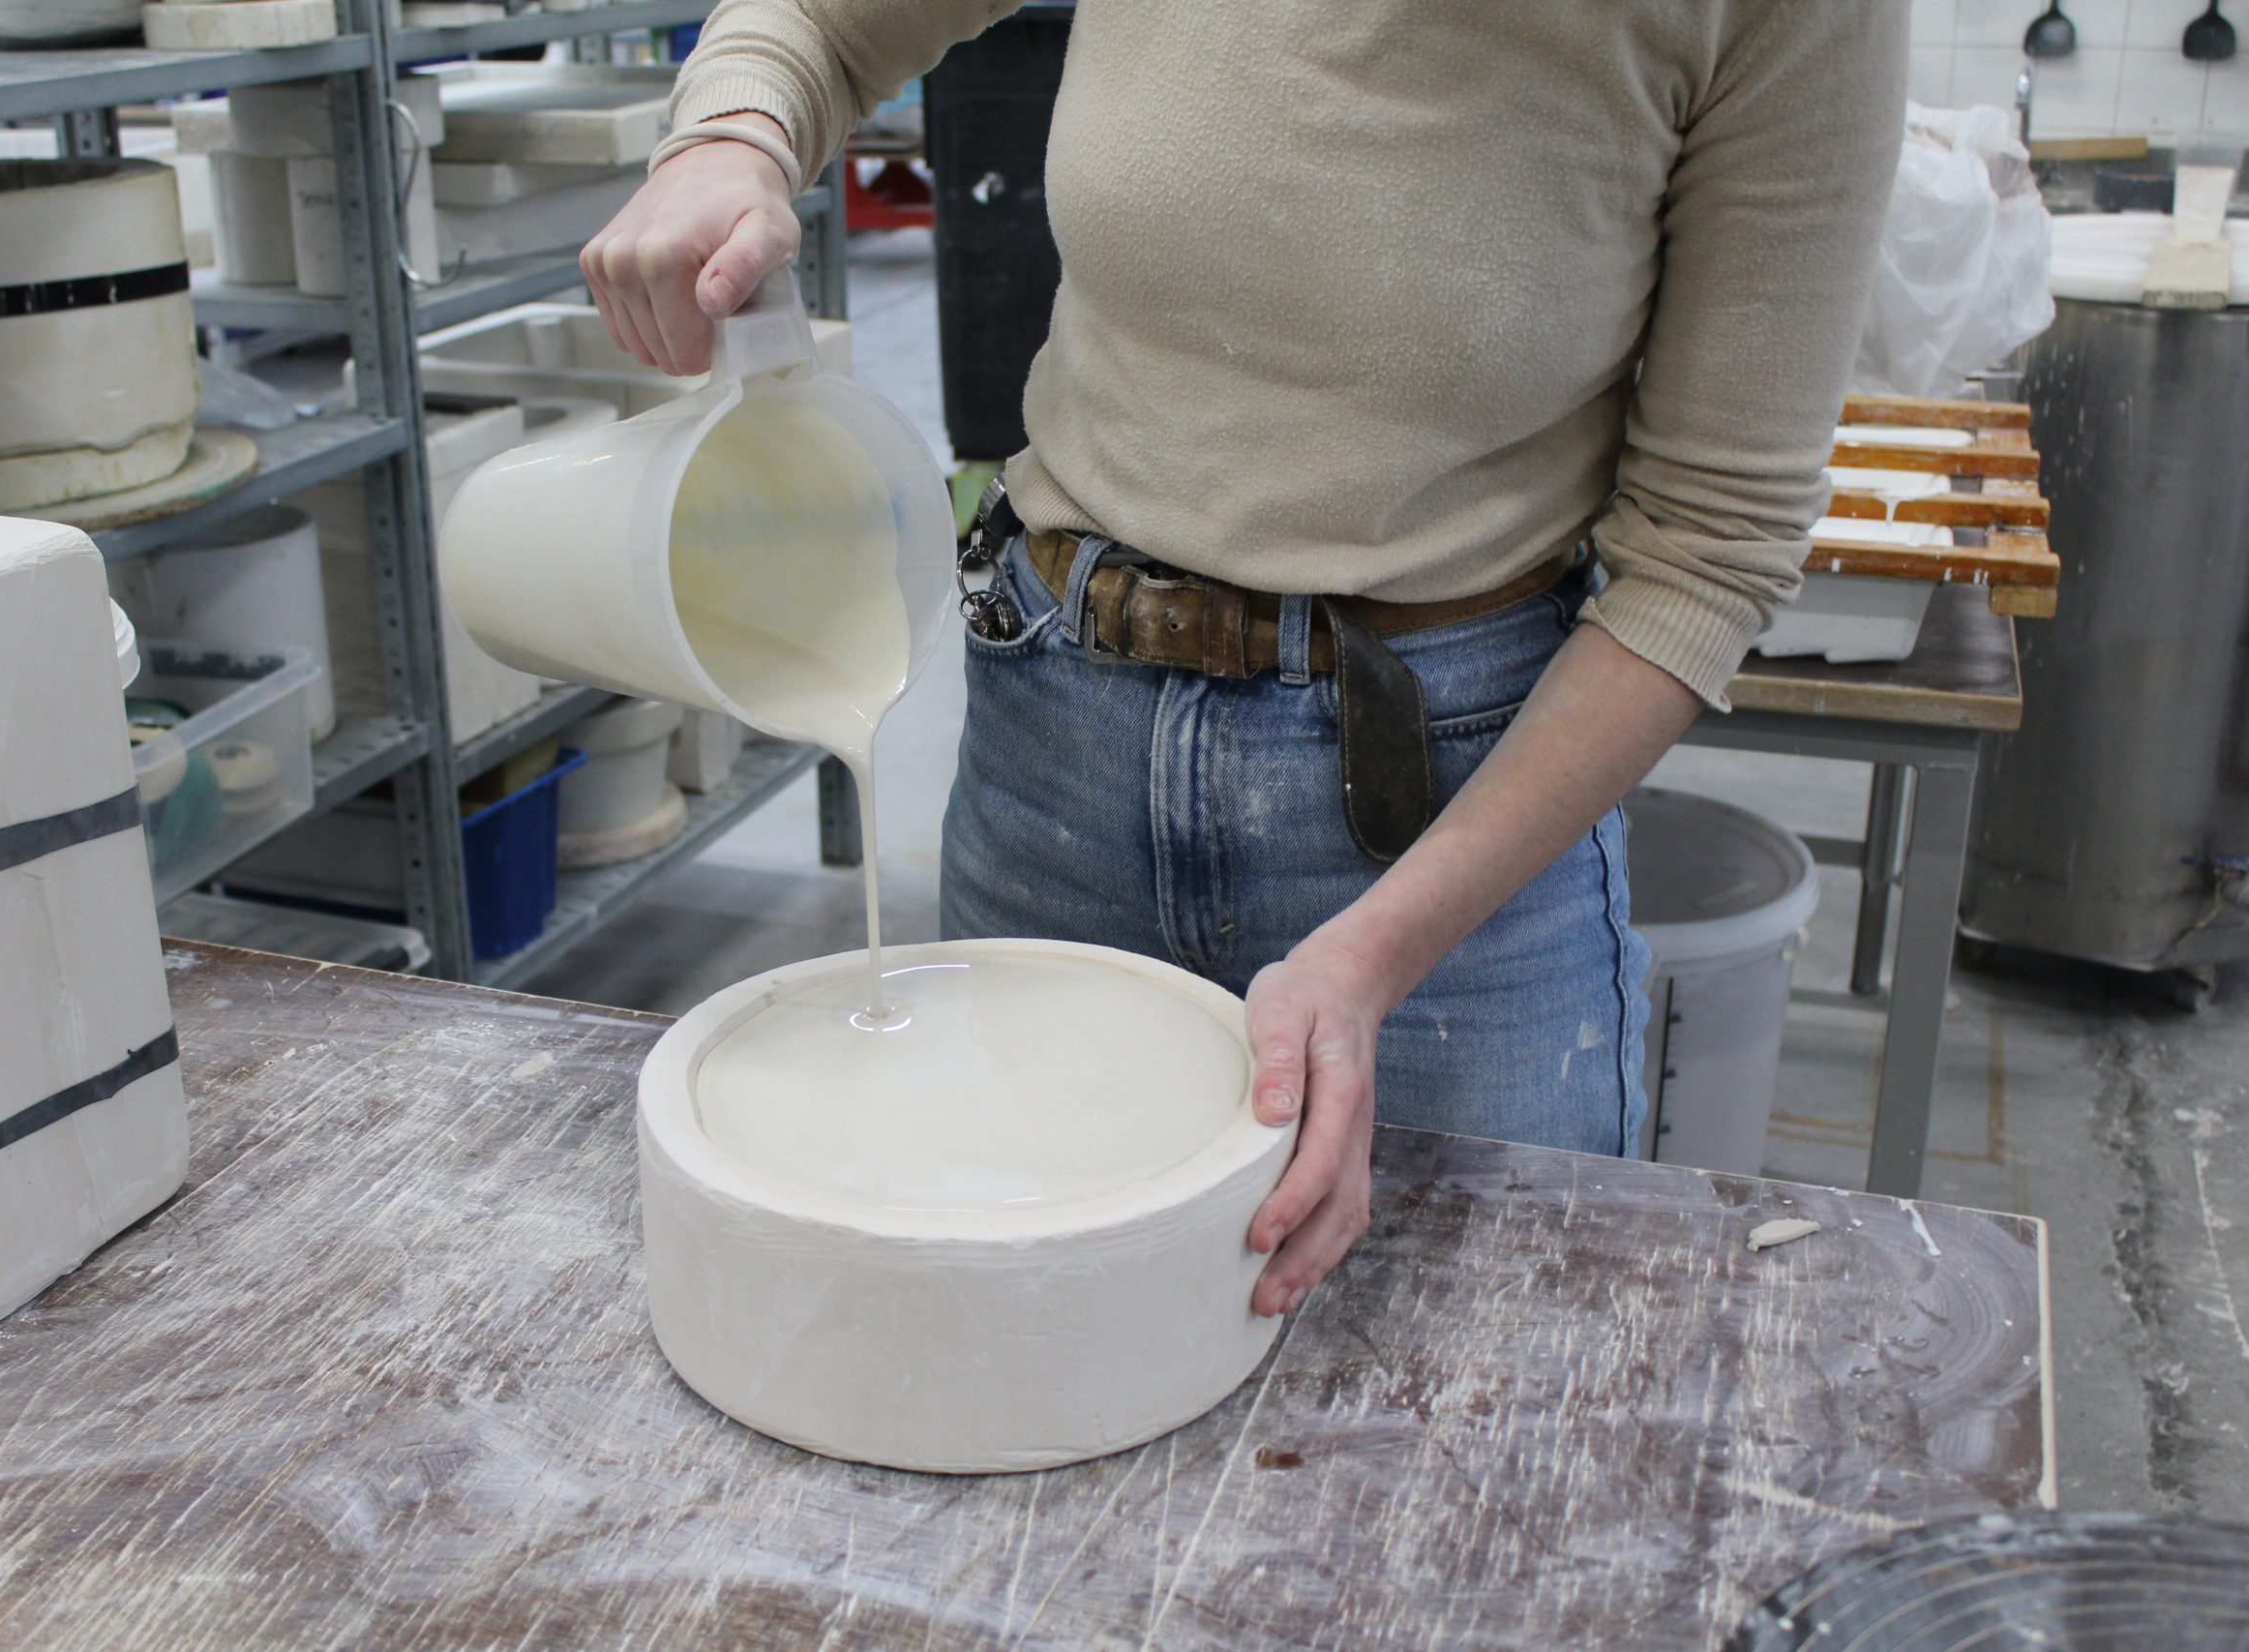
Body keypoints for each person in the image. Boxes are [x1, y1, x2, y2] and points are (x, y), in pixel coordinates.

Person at [582, 2, 1908, 1317]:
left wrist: (1376, 956)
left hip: (1448, 821)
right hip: (1057, 749)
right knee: (1017, 1336)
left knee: (1449, 1376)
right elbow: (816, 24)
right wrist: (731, 138)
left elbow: (1708, 554)